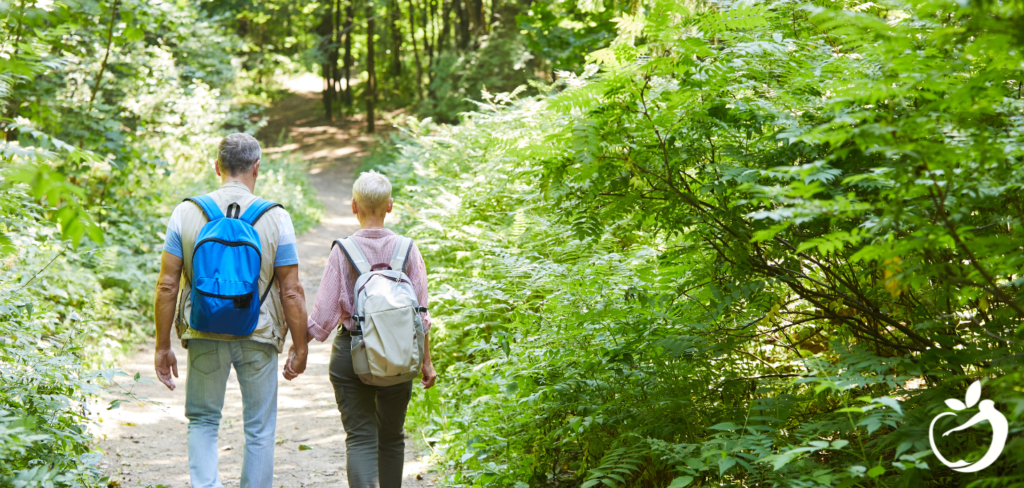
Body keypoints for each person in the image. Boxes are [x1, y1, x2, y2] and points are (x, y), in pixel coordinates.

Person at [153, 133, 309, 488]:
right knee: (259, 427)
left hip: (204, 330)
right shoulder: (276, 217)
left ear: (216, 166)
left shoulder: (186, 212)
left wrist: (163, 346)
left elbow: (166, 285)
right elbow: (292, 290)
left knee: (204, 421)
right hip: (260, 332)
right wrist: (301, 348)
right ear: (257, 168)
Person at [299, 170, 437, 488]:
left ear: (353, 206)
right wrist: (426, 361)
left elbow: (323, 317)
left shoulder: (342, 251)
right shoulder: (408, 249)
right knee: (392, 438)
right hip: (401, 355)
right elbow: (421, 314)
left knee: (360, 438)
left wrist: (298, 345)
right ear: (390, 206)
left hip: (353, 355)